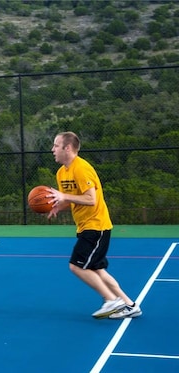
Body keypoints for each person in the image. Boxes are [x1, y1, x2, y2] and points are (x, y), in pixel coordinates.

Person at [48, 131, 141, 319]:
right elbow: (74, 197)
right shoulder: (61, 172)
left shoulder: (81, 168)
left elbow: (91, 199)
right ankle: (129, 305)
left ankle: (111, 300)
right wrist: (59, 206)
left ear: (67, 148)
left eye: (56, 146)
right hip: (85, 226)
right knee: (97, 270)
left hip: (96, 225)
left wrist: (64, 196)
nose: (53, 149)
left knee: (76, 266)